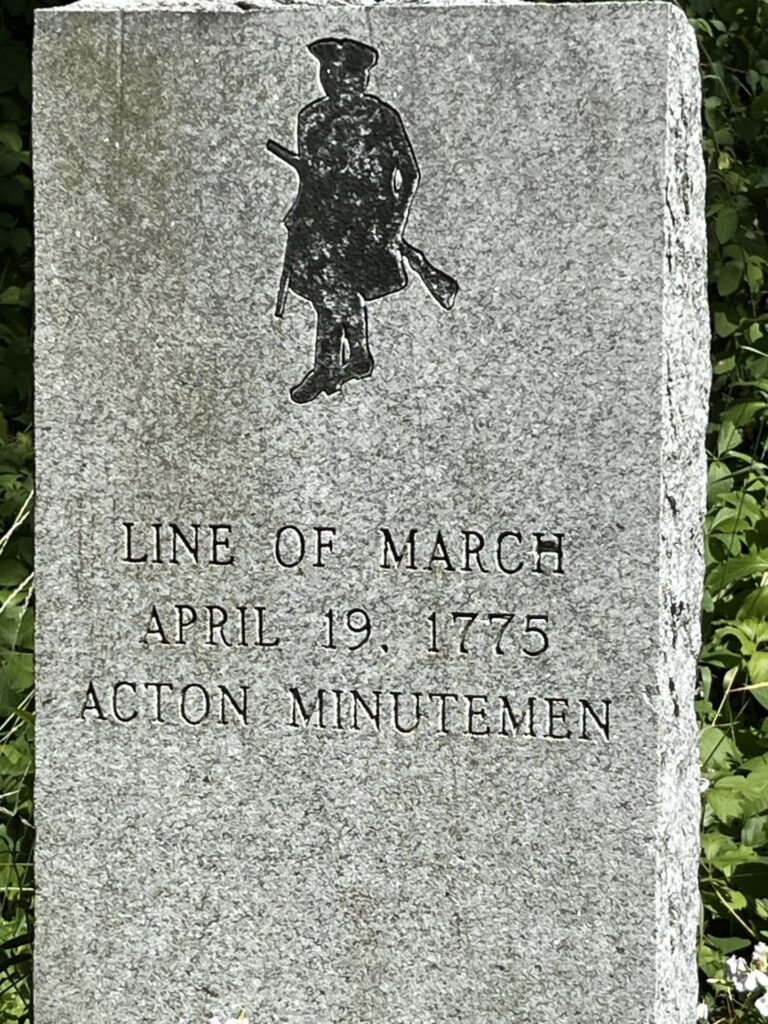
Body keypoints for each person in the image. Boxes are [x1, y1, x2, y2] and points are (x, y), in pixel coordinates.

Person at [268, 37, 458, 405]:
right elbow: (315, 178)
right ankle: (349, 359)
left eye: (346, 74)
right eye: (329, 72)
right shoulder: (311, 118)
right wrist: (302, 213)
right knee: (329, 293)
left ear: (361, 78)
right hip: (323, 225)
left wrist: (393, 227)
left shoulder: (381, 117)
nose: (336, 81)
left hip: (369, 225)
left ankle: (341, 361)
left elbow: (409, 173)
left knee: (337, 293)